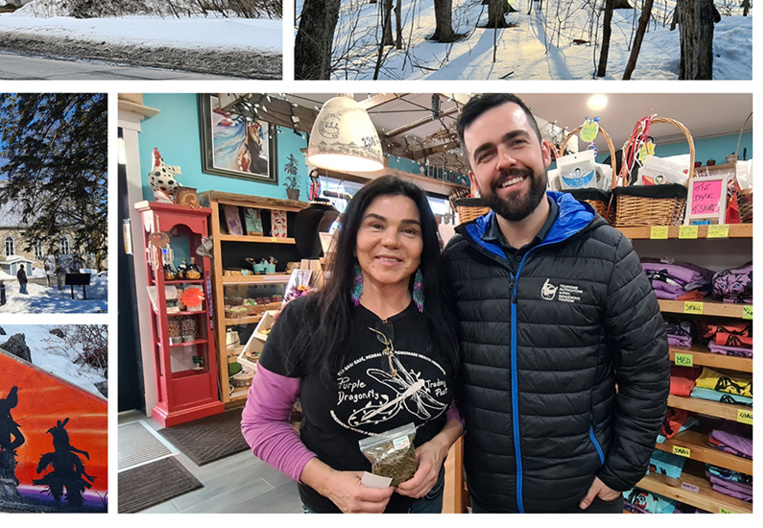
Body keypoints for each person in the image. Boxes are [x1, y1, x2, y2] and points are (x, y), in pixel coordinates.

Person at [443, 93, 669, 513]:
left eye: (516, 142)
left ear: (545, 152)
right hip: (493, 496)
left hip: (583, 496)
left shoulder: (607, 250)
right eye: (486, 154)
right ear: (473, 176)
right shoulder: (459, 259)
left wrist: (622, 469)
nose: (504, 161)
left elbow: (648, 370)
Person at [241, 175, 462, 513]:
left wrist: (440, 444)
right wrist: (329, 483)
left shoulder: (444, 318)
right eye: (376, 225)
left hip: (423, 503)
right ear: (353, 237)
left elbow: (460, 405)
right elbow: (261, 423)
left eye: (409, 230)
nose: (391, 241)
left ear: (424, 246)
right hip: (333, 508)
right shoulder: (304, 319)